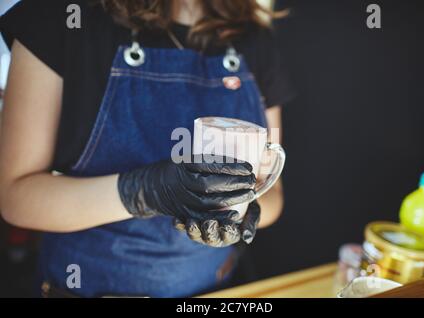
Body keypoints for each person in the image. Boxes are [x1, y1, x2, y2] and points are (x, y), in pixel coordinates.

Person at [0, 0, 295, 297]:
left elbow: (273, 193)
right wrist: (145, 192)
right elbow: (15, 196)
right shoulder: (63, 17)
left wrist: (242, 209)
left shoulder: (254, 40)